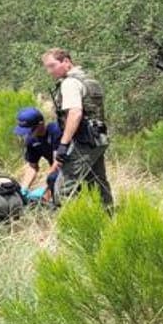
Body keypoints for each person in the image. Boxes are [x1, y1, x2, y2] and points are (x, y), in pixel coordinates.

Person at [41, 48, 112, 208]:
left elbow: (75, 113)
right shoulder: (89, 80)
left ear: (66, 61)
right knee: (98, 182)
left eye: (52, 66)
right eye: (47, 67)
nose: (49, 71)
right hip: (98, 139)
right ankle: (109, 221)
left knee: (64, 188)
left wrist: (63, 145)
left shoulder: (70, 83)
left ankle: (72, 227)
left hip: (84, 141)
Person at [13, 106, 61, 203]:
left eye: (29, 129)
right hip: (55, 172)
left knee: (53, 180)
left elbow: (58, 162)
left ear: (40, 124)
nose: (26, 134)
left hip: (67, 167)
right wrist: (24, 188)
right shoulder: (31, 140)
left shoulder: (55, 130)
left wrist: (46, 190)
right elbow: (32, 167)